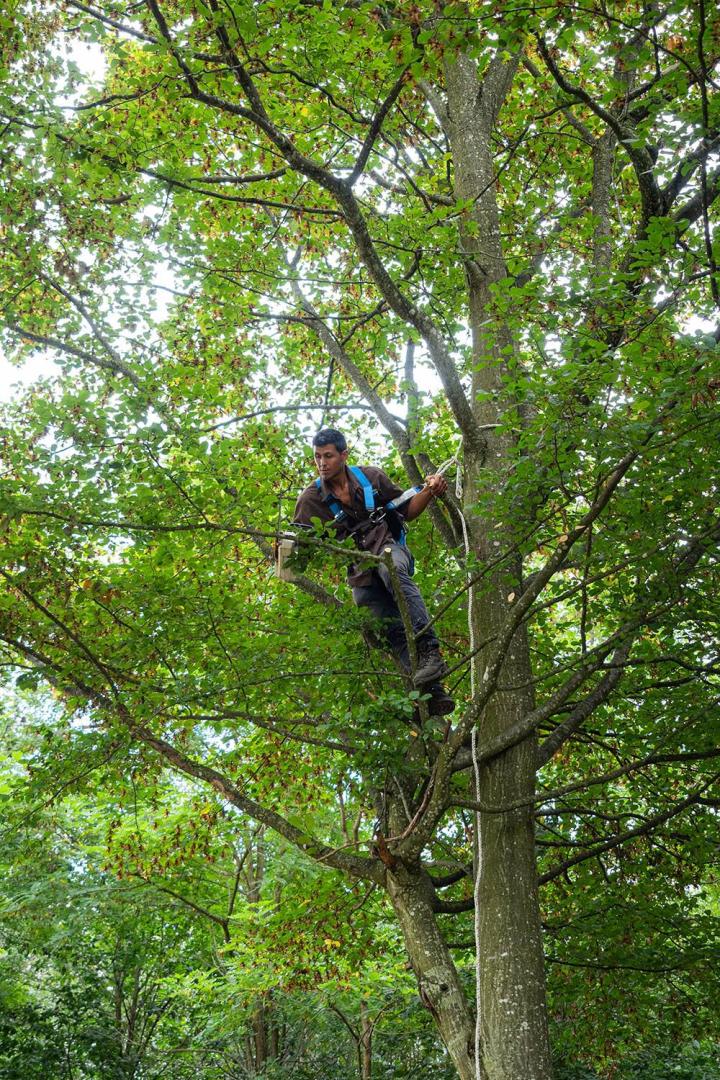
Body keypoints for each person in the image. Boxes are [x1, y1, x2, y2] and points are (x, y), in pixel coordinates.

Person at [293, 428, 454, 717]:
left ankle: (431, 651)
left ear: (344, 455)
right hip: (360, 572)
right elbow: (298, 554)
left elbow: (406, 511)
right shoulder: (311, 500)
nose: (322, 463)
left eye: (328, 456)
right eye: (317, 457)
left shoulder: (371, 478)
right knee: (381, 626)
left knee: (390, 570)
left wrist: (429, 491)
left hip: (390, 549)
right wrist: (287, 549)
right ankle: (431, 694)